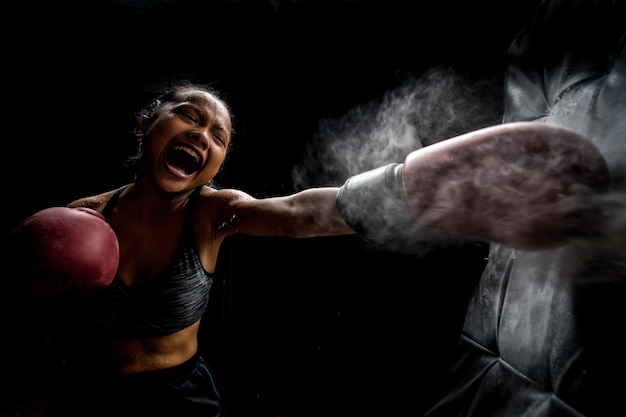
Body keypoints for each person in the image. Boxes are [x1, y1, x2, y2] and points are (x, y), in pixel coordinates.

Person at [8, 81, 608, 417]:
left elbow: (297, 214)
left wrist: (410, 188)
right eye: (187, 117)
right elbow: (31, 328)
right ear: (147, 124)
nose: (200, 135)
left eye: (217, 136)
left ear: (217, 163)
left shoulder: (212, 214)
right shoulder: (78, 220)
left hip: (178, 404)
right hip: (83, 400)